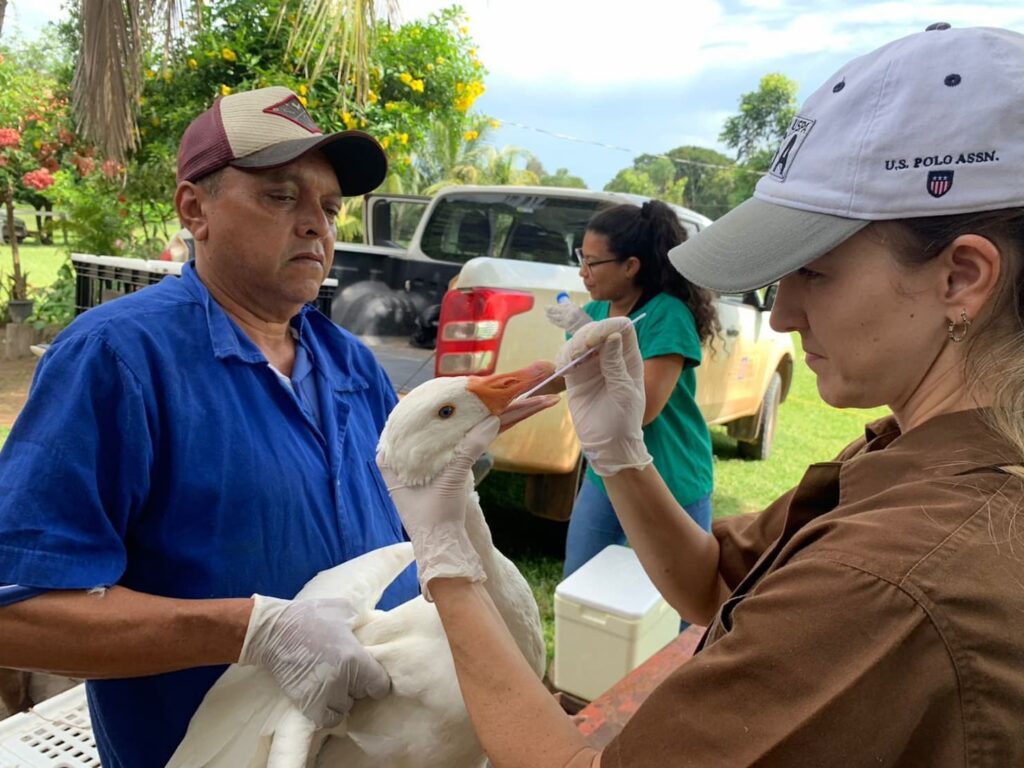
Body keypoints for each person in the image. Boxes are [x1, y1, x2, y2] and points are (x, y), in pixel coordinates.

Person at [377, 24, 1024, 766]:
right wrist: (619, 454)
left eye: (814, 272)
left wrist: (447, 569)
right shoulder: (908, 454)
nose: (783, 315)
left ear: (962, 277)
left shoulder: (894, 570)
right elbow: (714, 583)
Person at [0, 86, 419, 767]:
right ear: (195, 210)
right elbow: (17, 614)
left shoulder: (353, 366)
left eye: (329, 207)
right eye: (281, 196)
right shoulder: (119, 359)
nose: (315, 226)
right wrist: (251, 631)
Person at [552, 200, 718, 578]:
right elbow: (565, 375)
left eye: (593, 262)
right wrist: (505, 392)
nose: (582, 273)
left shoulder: (667, 315)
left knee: (679, 595)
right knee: (580, 580)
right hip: (608, 473)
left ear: (630, 266)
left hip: (671, 477)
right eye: (581, 258)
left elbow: (641, 410)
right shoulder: (596, 313)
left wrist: (594, 343)